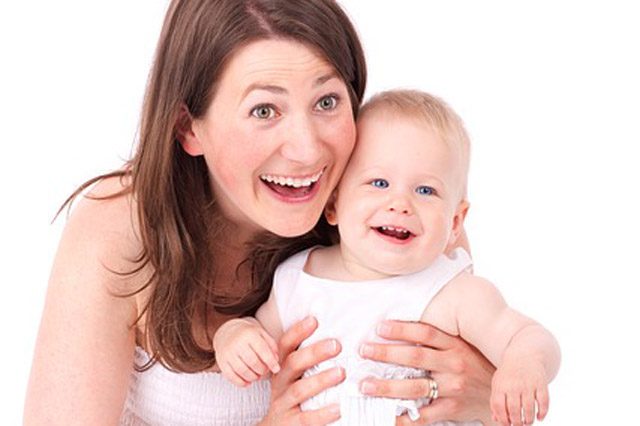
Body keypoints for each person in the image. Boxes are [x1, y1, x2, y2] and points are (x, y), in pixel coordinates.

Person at [23, 1, 498, 425]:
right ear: (188, 128)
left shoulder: (398, 214)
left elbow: (484, 385)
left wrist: (485, 396)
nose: (307, 150)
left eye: (326, 101)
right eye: (264, 111)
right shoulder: (121, 227)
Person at [214, 90, 561, 426]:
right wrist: (235, 335)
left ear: (455, 222)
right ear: (334, 204)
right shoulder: (298, 277)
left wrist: (523, 365)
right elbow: (261, 335)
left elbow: (527, 336)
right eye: (379, 183)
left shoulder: (452, 291)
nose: (400, 204)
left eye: (425, 190)